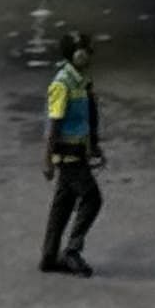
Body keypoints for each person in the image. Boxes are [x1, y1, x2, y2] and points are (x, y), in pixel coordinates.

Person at [40, 33, 106, 276]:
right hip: (69, 157)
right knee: (92, 199)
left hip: (78, 153)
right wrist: (47, 160)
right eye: (85, 50)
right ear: (75, 53)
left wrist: (94, 145)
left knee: (63, 206)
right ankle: (72, 251)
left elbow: (86, 118)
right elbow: (53, 124)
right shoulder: (63, 83)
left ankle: (49, 256)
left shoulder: (80, 81)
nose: (89, 54)